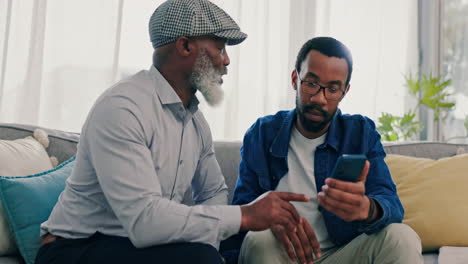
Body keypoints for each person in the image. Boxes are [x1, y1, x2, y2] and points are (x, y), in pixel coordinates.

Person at [35, 1, 310, 263]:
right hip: (73, 249)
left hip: (136, 245)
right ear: (186, 46)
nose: (226, 61)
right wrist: (245, 216)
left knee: (213, 253)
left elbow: (213, 191)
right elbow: (145, 222)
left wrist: (212, 240)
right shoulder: (123, 108)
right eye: (220, 47)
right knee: (201, 259)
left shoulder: (195, 121)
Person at [228, 37, 423, 264]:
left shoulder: (360, 132)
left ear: (344, 92)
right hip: (281, 255)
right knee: (258, 238)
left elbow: (391, 204)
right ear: (295, 79)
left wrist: (366, 209)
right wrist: (265, 218)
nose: (319, 98)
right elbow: (241, 213)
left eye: (332, 89)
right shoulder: (262, 133)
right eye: (311, 83)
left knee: (402, 237)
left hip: (342, 254)